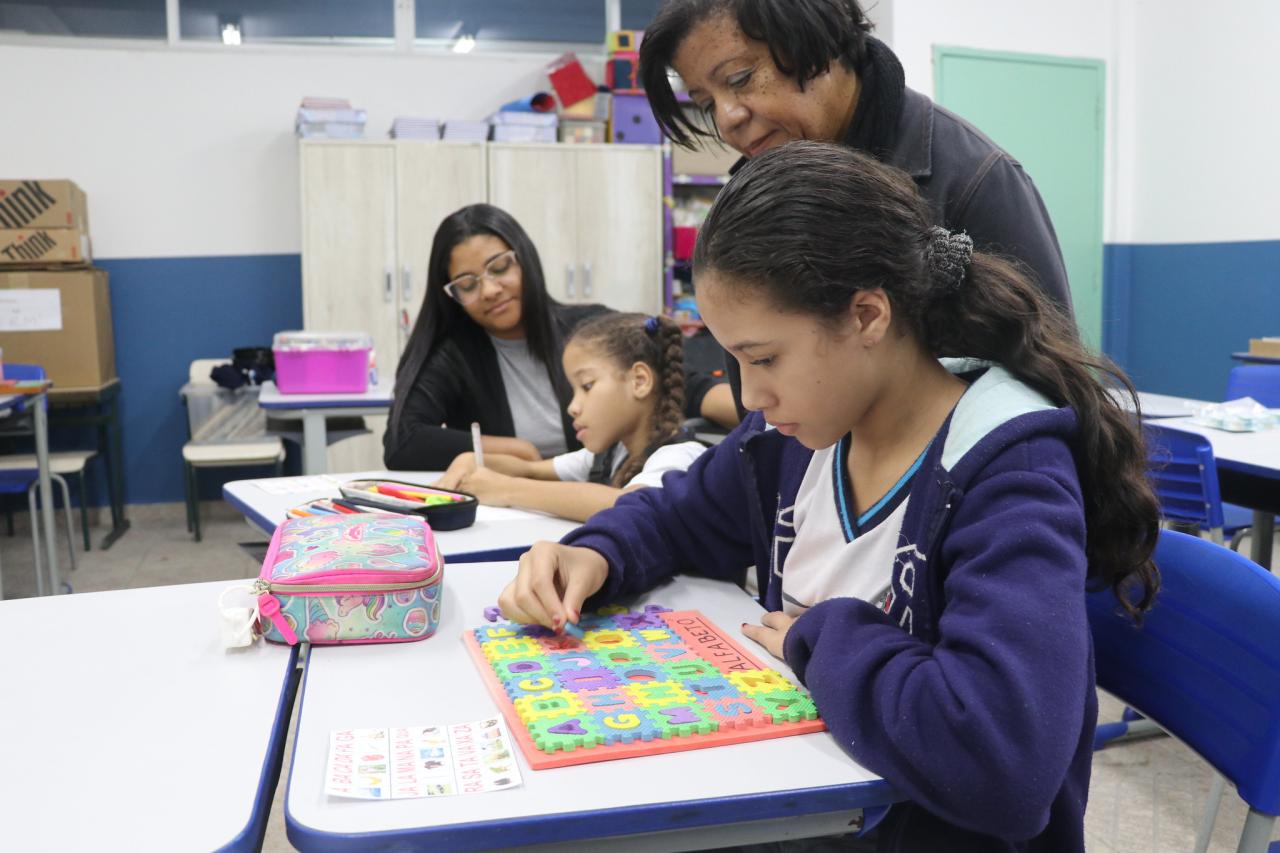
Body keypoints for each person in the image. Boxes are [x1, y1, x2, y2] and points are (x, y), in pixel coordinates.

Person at [498, 143, 1160, 850]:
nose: (749, 396)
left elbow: (1002, 761)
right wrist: (594, 555)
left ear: (868, 315)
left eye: (764, 358)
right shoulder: (796, 433)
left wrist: (821, 638)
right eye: (734, 361)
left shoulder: (1006, 469)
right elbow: (677, 514)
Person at [640, 0, 1074, 424]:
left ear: (815, 35)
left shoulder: (976, 180)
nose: (728, 117)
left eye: (740, 77)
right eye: (705, 102)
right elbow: (757, 417)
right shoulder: (749, 196)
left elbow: (1052, 390)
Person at [384, 204, 610, 471]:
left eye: (500, 267)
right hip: (506, 507)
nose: (489, 290)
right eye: (467, 284)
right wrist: (512, 448)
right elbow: (403, 442)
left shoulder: (592, 330)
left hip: (602, 501)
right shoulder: (452, 355)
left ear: (525, 259)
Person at [434, 313, 706, 522]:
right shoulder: (613, 453)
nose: (573, 408)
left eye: (586, 386)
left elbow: (630, 507)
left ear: (639, 381)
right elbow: (531, 469)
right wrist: (471, 460)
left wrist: (506, 490)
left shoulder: (680, 457)